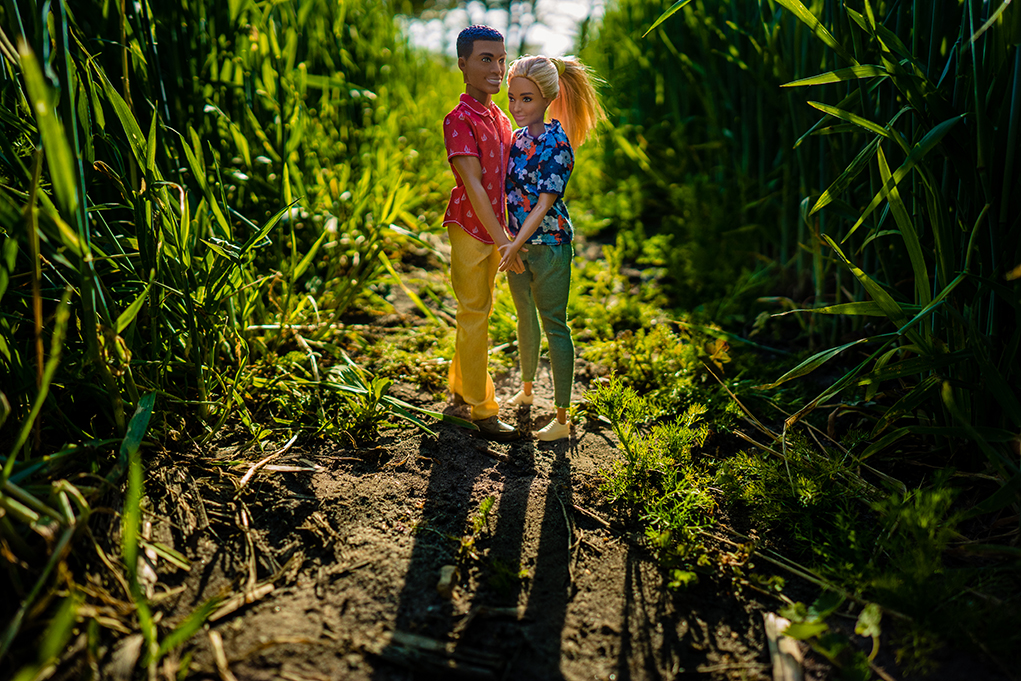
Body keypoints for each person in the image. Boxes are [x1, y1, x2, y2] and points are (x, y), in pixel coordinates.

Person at [497, 55, 605, 441]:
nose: (516, 107)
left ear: (546, 98)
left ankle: (562, 416)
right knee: (524, 317)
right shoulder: (518, 139)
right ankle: (526, 390)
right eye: (512, 98)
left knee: (554, 324)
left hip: (549, 246)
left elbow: (544, 202)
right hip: (519, 248)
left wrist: (512, 245)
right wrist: (508, 243)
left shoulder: (558, 143)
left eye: (526, 99)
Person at [442, 25, 525, 441]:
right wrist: (503, 238)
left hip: (496, 228)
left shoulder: (498, 115)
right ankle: (482, 408)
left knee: (479, 310)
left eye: (500, 59)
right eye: (485, 59)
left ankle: (460, 385)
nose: (497, 68)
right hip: (473, 229)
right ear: (463, 65)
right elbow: (473, 186)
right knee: (475, 312)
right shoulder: (458, 120)